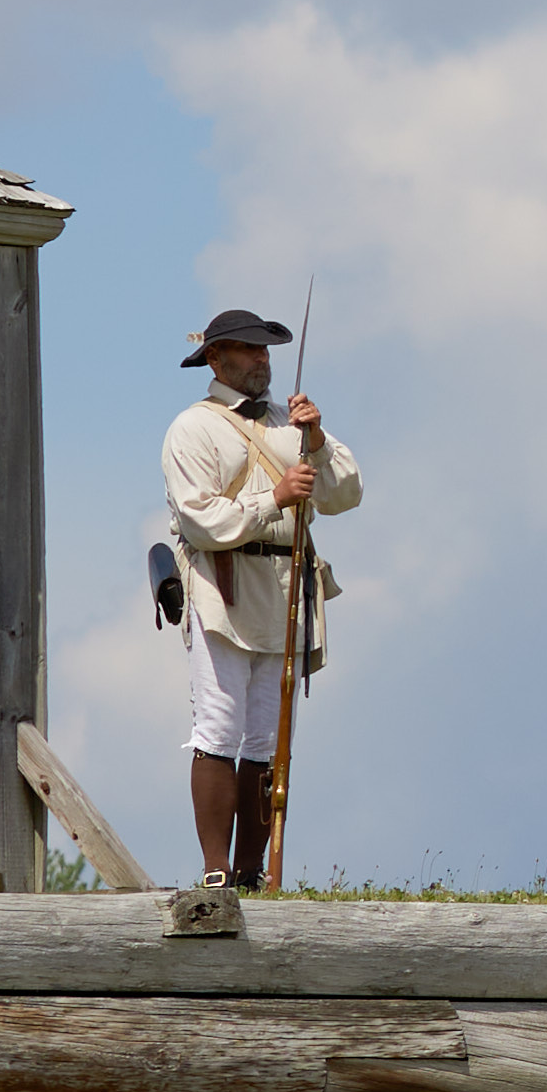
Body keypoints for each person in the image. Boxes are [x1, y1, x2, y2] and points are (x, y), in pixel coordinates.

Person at [158, 306, 360, 887]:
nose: (261, 360)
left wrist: (316, 439)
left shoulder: (289, 423)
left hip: (284, 588)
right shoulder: (191, 428)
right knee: (219, 728)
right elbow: (200, 521)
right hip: (222, 588)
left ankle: (251, 871)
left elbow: (345, 493)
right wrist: (274, 497)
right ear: (216, 359)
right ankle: (217, 872)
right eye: (249, 350)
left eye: (265, 350)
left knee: (267, 737)